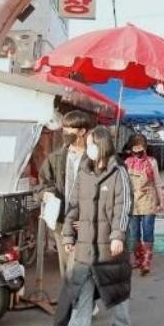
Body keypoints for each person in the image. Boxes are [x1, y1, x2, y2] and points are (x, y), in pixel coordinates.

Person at [50, 127, 132, 326]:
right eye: (88, 145)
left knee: (115, 284)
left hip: (109, 243)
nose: (89, 149)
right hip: (85, 243)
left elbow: (123, 207)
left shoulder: (119, 172)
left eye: (92, 144)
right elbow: (73, 206)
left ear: (103, 145)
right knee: (81, 289)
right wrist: (68, 234)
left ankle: (122, 324)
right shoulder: (83, 172)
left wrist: (118, 235)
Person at [37, 110, 96, 280]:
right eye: (63, 128)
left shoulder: (95, 158)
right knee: (66, 268)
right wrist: (47, 194)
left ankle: (84, 303)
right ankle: (73, 303)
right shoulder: (55, 157)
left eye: (69, 129)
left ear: (82, 131)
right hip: (62, 219)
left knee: (83, 266)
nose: (64, 133)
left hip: (86, 221)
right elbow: (44, 184)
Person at [124, 133, 164, 276]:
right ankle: (138, 259)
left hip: (148, 200)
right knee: (134, 234)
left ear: (145, 147)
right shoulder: (127, 163)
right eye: (135, 148)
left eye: (140, 148)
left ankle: (146, 261)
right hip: (133, 202)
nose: (138, 151)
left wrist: (162, 202)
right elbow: (124, 184)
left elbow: (158, 183)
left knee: (148, 231)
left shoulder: (152, 162)